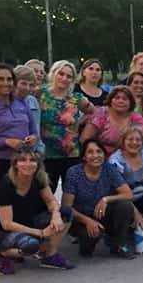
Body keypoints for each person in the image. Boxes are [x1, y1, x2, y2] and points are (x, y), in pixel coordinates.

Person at [0, 150, 75, 274]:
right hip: (2, 231)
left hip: (29, 222)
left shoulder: (39, 179)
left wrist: (56, 215)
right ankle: (0, 252)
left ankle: (49, 255)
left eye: (32, 160)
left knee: (66, 213)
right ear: (15, 164)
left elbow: (51, 201)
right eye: (22, 160)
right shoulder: (5, 186)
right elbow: (7, 224)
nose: (28, 164)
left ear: (38, 164)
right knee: (31, 245)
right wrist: (40, 233)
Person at [62, 139, 136, 258]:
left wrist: (105, 199)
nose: (95, 155)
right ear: (84, 157)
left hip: (101, 213)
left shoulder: (108, 168)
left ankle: (120, 244)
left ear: (104, 155)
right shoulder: (74, 173)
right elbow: (66, 207)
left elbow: (128, 194)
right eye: (90, 152)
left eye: (99, 151)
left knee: (125, 206)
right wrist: (87, 220)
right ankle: (86, 243)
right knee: (88, 247)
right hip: (80, 218)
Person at [0, 63, 39, 189]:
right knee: (4, 200)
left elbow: (34, 132)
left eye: (9, 79)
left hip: (24, 160)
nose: (6, 83)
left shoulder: (22, 104)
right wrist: (6, 142)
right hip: (0, 162)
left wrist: (33, 138)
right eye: (1, 79)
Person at [41, 60, 95, 193]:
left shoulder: (76, 98)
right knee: (44, 195)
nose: (64, 78)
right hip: (47, 155)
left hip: (71, 155)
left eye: (69, 76)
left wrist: (80, 122)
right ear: (53, 73)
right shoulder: (41, 94)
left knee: (71, 195)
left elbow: (94, 113)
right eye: (61, 74)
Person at [80, 86, 143, 155]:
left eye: (125, 99)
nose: (120, 101)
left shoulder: (136, 118)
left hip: (128, 157)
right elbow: (85, 139)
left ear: (130, 102)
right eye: (117, 98)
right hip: (101, 158)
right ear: (110, 100)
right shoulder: (101, 113)